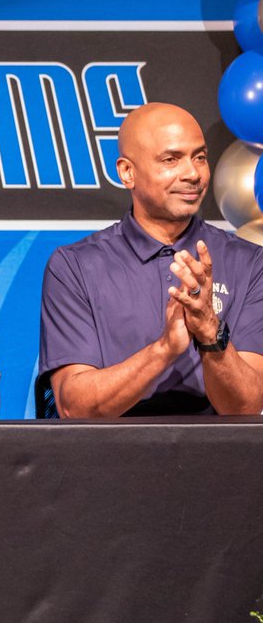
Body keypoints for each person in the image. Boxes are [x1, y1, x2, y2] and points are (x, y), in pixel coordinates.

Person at [38, 102, 263, 417]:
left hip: (217, 462)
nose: (192, 174)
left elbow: (247, 407)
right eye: (171, 159)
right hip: (110, 462)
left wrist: (210, 332)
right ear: (127, 172)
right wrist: (164, 350)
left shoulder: (251, 263)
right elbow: (75, 408)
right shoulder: (75, 267)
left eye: (200, 157)